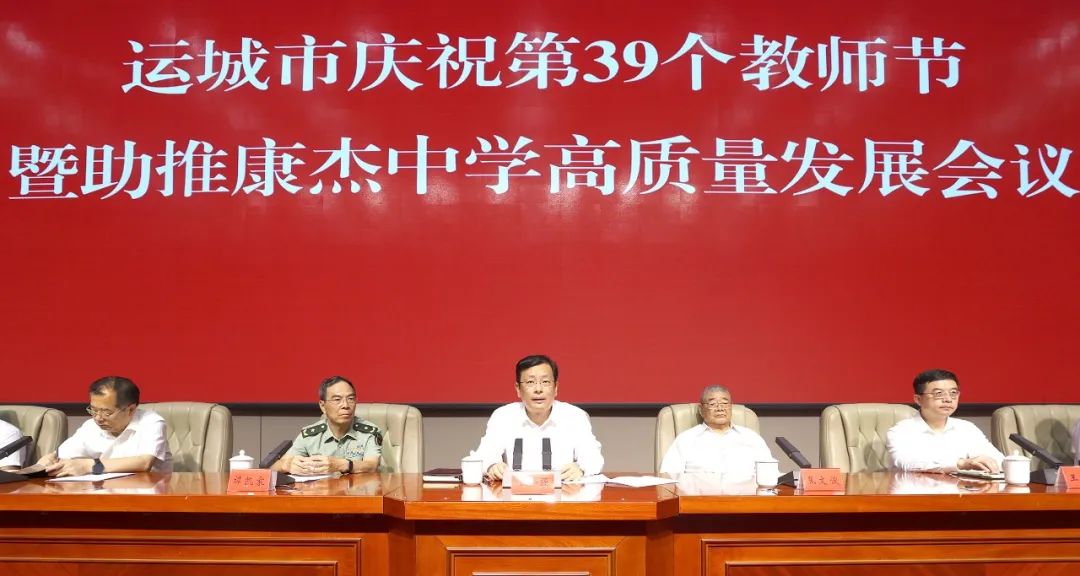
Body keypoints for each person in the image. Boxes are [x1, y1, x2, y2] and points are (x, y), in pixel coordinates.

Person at [474, 354, 604, 482]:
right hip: (515, 493)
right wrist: (492, 466)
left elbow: (594, 458)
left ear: (556, 388)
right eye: (530, 382)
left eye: (545, 382)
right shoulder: (503, 416)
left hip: (563, 492)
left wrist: (581, 468)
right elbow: (483, 456)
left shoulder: (575, 417)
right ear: (518, 389)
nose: (538, 389)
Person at [38, 376, 172, 476]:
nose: (98, 418)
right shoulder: (90, 426)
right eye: (94, 410)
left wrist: (88, 466)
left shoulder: (151, 422)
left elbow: (144, 463)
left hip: (148, 495)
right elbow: (60, 455)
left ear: (130, 410)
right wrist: (50, 460)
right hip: (104, 494)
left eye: (106, 412)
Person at [886, 369, 1004, 473]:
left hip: (961, 490)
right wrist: (961, 463)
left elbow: (998, 460)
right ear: (918, 399)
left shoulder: (967, 428)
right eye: (939, 393)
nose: (948, 399)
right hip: (916, 490)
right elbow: (907, 463)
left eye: (953, 393)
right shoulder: (901, 431)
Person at [273, 376, 383, 476]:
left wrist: (340, 465)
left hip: (358, 490)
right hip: (322, 490)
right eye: (337, 400)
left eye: (350, 399)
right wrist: (287, 465)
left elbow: (371, 465)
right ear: (323, 406)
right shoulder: (310, 435)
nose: (345, 405)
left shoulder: (369, 432)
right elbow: (274, 466)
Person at [659, 385, 774, 479]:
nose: (720, 408)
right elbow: (668, 478)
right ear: (701, 410)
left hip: (747, 498)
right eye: (712, 404)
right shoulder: (686, 439)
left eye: (725, 403)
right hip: (699, 498)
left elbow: (771, 475)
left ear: (731, 407)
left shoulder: (752, 438)